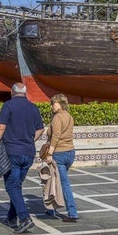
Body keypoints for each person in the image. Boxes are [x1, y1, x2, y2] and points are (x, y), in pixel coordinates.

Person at [0, 82, 44, 234]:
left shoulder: (8, 106)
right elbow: (40, 129)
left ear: (12, 92)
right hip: (28, 153)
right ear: (25, 92)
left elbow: (0, 128)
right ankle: (11, 217)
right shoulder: (33, 107)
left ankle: (24, 218)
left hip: (12, 152)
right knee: (16, 186)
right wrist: (29, 140)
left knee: (11, 186)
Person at [43, 93, 79, 222]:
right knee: (56, 180)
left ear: (58, 103)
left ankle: (72, 212)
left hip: (59, 154)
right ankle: (51, 209)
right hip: (70, 152)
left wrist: (49, 154)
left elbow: (56, 136)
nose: (51, 106)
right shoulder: (69, 116)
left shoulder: (57, 117)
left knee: (63, 183)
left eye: (52, 103)